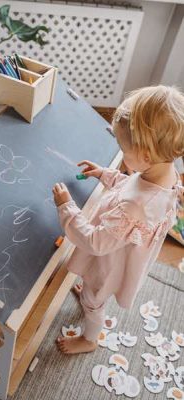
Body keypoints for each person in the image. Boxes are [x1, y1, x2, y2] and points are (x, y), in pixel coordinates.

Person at [52, 85, 184, 354]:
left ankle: (89, 339)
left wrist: (66, 207)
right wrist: (104, 174)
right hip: (123, 248)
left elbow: (94, 242)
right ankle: (91, 294)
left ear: (145, 156)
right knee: (93, 291)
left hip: (111, 262)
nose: (121, 154)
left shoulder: (135, 207)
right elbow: (131, 183)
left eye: (123, 149)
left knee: (94, 300)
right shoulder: (164, 172)